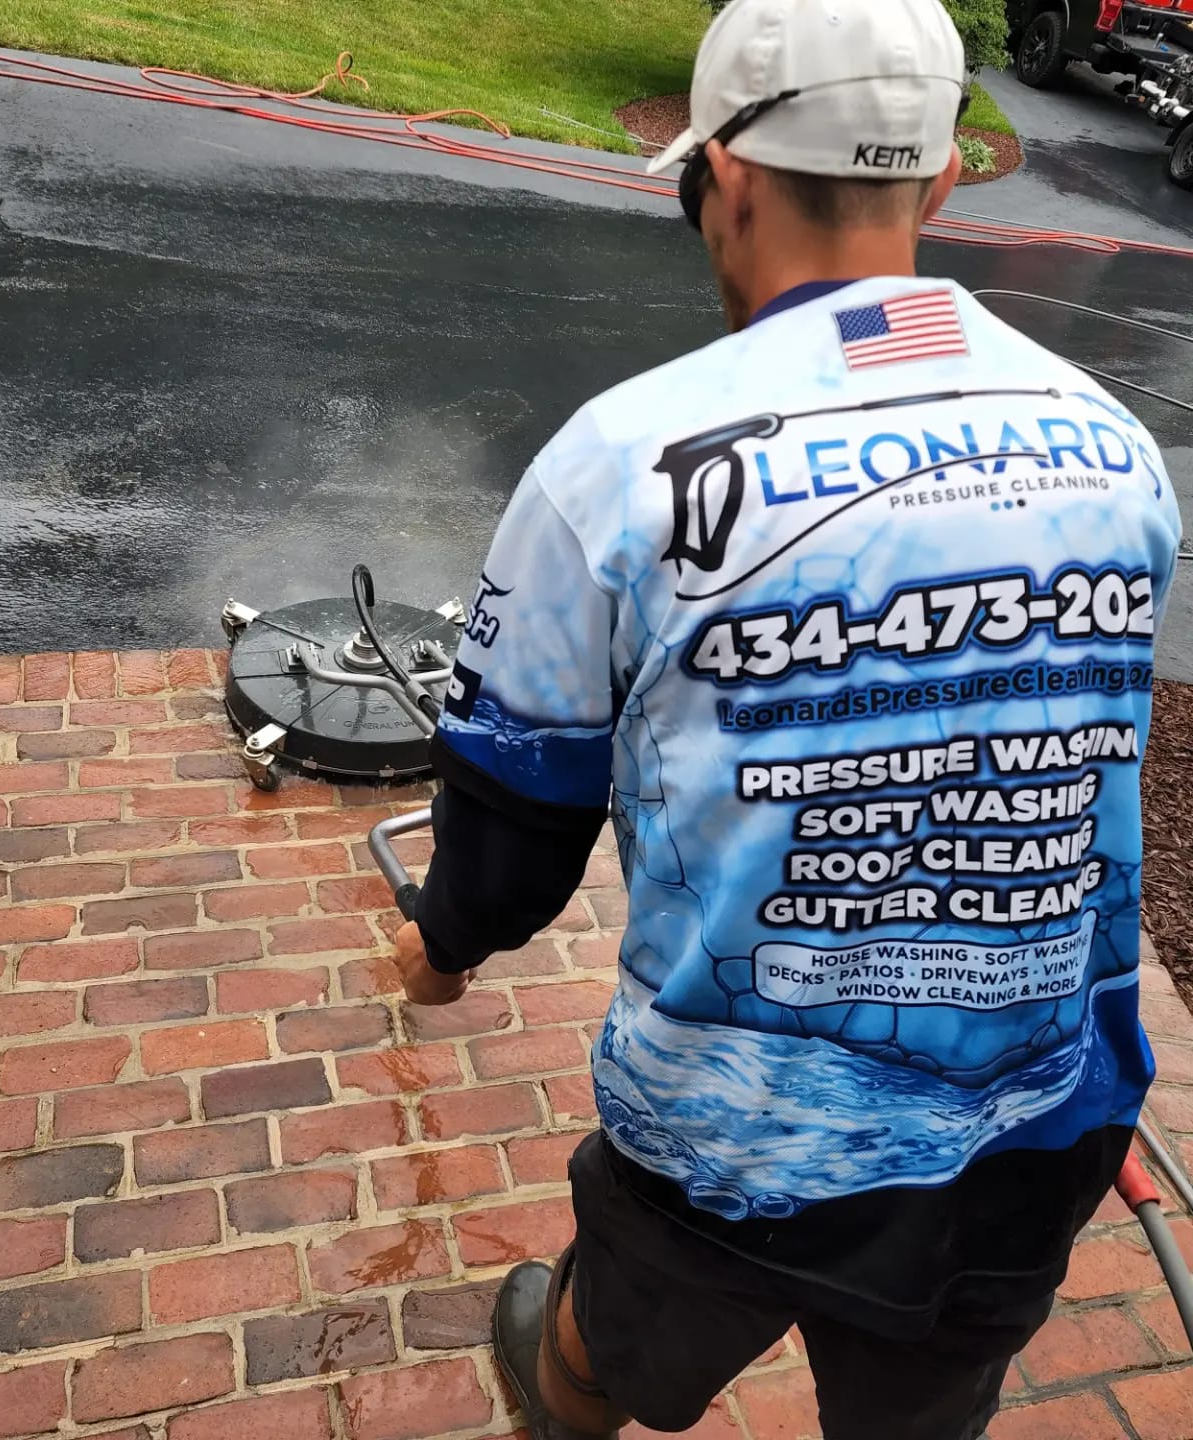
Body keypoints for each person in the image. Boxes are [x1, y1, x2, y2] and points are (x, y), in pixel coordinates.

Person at [390, 0, 1184, 1435]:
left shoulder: (620, 461)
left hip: (727, 1140)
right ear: (942, 183)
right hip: (1032, 1120)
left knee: (601, 1353)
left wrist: (445, 946)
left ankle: (566, 1397)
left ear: (727, 175)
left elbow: (521, 810)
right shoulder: (1114, 444)